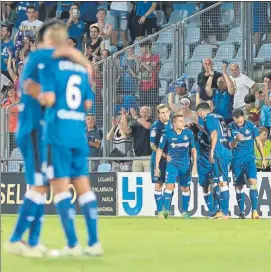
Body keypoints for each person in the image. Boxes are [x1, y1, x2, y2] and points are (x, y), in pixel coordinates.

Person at [4, 19, 96, 258]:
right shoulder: (45, 57)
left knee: (43, 184)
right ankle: (16, 240)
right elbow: (37, 90)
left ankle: (32, 242)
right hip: (34, 127)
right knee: (40, 184)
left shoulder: (48, 59)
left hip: (40, 128)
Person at [34, 23, 103, 256]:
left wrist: (36, 96)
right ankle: (94, 243)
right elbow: (87, 104)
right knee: (84, 187)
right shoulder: (81, 70)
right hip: (77, 133)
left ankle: (73, 244)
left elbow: (49, 98)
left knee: (62, 189)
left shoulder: (51, 67)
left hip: (57, 133)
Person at [155, 113, 197, 219]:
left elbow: (193, 149)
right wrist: (156, 167)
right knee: (169, 186)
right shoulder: (167, 134)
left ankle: (185, 212)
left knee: (185, 188)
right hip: (172, 164)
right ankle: (166, 211)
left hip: (186, 165)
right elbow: (159, 150)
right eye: (180, 121)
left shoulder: (189, 133)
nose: (183, 123)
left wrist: (195, 164)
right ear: (174, 124)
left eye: (183, 120)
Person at [227, 109, 266, 219]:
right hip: (236, 161)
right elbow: (231, 145)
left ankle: (254, 211)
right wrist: (236, 140)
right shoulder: (230, 127)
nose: (238, 124)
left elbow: (258, 141)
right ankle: (242, 212)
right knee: (239, 187)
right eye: (236, 121)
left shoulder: (251, 126)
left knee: (253, 183)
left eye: (240, 121)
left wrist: (263, 158)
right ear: (233, 119)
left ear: (243, 117)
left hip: (250, 160)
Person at [196, 102, 230, 219]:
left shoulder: (207, 118)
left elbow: (214, 134)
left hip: (219, 152)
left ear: (200, 112)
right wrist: (200, 128)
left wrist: (212, 151)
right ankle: (220, 210)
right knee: (219, 181)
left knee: (222, 182)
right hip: (226, 149)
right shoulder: (218, 116)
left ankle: (224, 212)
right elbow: (215, 131)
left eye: (199, 114)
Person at [150, 104, 171, 218]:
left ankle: (166, 209)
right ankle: (160, 211)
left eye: (166, 112)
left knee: (170, 184)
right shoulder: (156, 126)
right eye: (162, 113)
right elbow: (152, 145)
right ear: (159, 115)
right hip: (159, 159)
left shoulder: (173, 124)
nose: (165, 114)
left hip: (171, 159)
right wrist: (164, 155)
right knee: (159, 184)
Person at [121, 106, 153, 172]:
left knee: (148, 179)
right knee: (136, 179)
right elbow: (126, 132)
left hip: (149, 157)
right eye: (142, 112)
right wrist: (124, 118)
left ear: (150, 114)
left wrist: (136, 117)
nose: (144, 114)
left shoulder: (153, 123)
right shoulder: (136, 125)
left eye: (146, 112)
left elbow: (147, 126)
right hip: (137, 157)